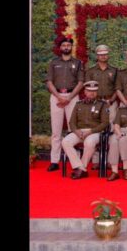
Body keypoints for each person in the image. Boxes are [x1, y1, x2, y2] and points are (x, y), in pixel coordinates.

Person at [45, 35, 84, 171]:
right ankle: (54, 161)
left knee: (73, 128)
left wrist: (69, 98)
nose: (66, 47)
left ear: (71, 47)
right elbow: (49, 81)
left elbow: (81, 82)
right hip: (56, 96)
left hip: (72, 97)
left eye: (68, 45)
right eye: (64, 45)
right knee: (56, 131)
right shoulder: (53, 62)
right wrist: (59, 96)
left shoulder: (78, 63)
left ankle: (74, 161)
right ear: (60, 47)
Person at [61, 81, 109, 179]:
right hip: (79, 131)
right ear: (85, 92)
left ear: (97, 92)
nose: (92, 93)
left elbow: (105, 123)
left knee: (89, 142)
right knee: (65, 142)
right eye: (89, 91)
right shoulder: (78, 104)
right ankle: (80, 167)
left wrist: (90, 131)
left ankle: (80, 170)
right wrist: (76, 131)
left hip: (94, 132)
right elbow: (72, 122)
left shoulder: (102, 104)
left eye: (94, 91)